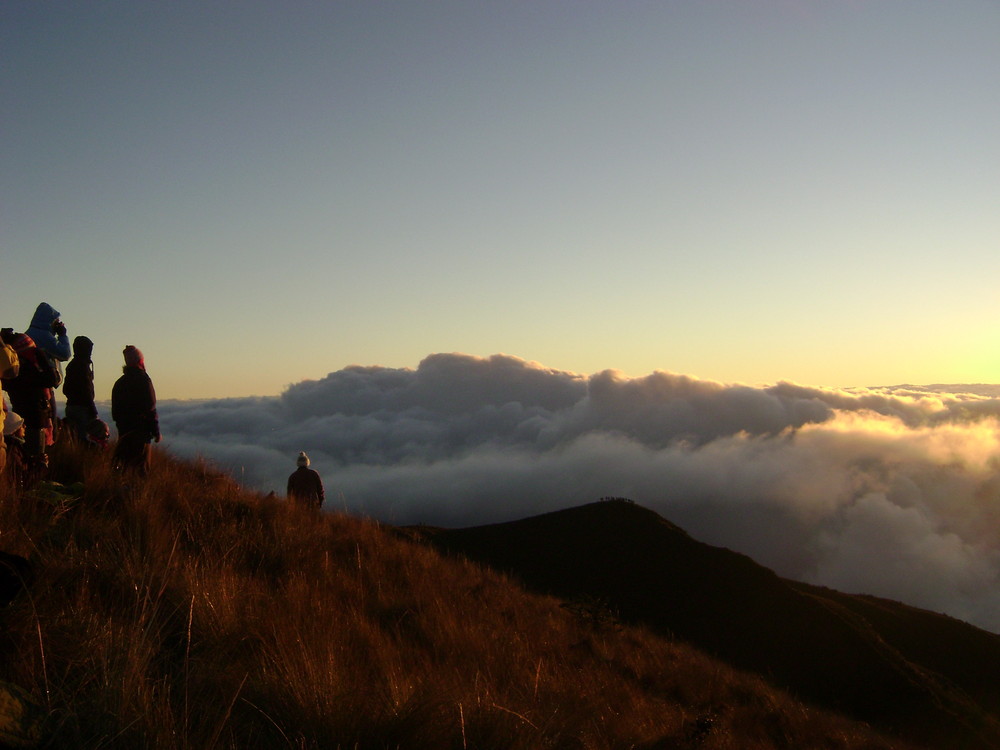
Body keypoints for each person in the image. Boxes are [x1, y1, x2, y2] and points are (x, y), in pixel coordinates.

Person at [1, 331, 58, 482]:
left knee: (25, 459)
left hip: (27, 418)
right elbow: (53, 379)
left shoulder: (12, 373)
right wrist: (42, 358)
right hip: (35, 419)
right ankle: (33, 491)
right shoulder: (25, 371)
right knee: (34, 461)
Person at [25, 304, 69, 447]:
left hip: (30, 386)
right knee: (49, 421)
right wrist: (62, 334)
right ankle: (48, 451)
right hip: (44, 386)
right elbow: (65, 354)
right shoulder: (44, 336)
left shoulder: (29, 334)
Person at [111, 345, 160, 474]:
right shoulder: (144, 380)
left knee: (123, 469)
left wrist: (122, 426)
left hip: (124, 432)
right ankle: (138, 494)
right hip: (141, 433)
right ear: (140, 361)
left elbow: (115, 412)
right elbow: (150, 407)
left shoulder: (119, 383)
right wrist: (155, 431)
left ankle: (119, 492)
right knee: (141, 471)